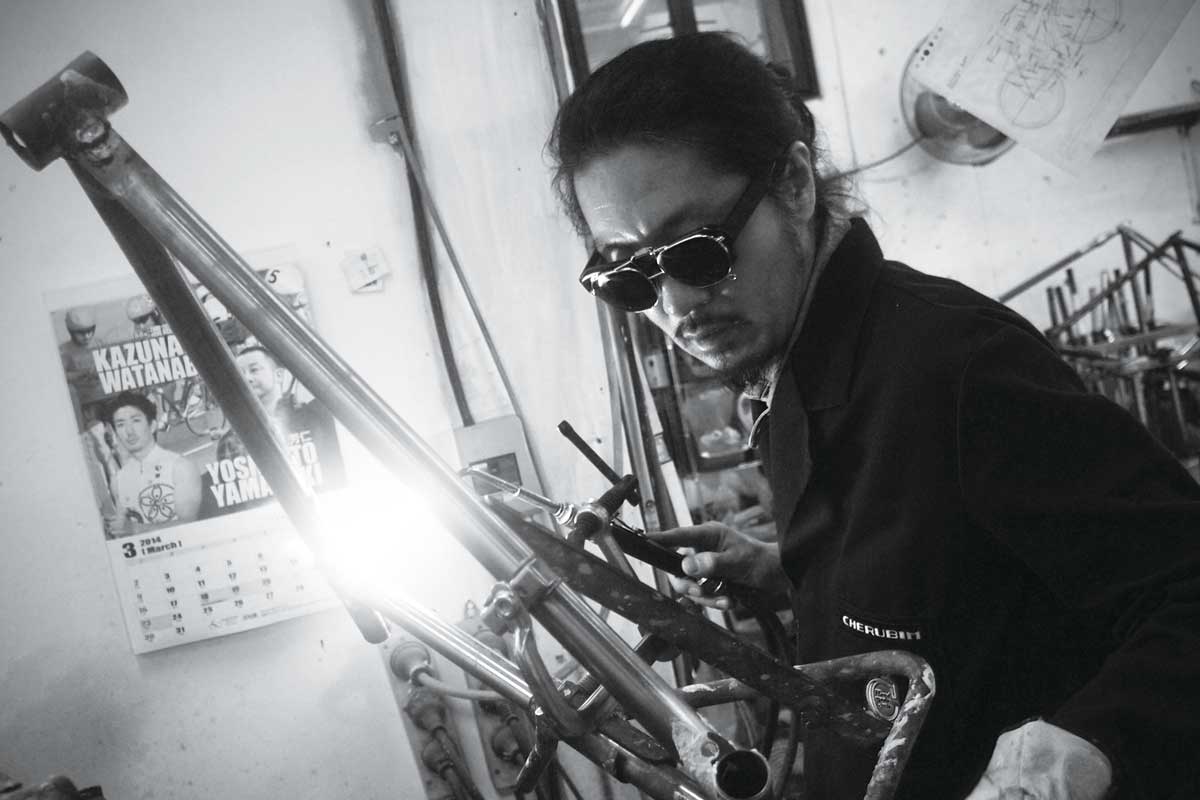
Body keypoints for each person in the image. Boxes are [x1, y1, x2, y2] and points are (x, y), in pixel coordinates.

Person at [547, 33, 1200, 800]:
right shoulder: (794, 373)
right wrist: (795, 571)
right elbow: (951, 564)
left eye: (697, 252)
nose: (677, 305)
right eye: (629, 277)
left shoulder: (958, 368)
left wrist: (1072, 760)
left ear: (794, 183)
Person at [105, 390, 201, 534]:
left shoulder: (180, 467)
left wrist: (136, 529)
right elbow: (122, 528)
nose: (129, 431)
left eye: (136, 421)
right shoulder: (118, 480)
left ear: (152, 426)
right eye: (120, 424)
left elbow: (189, 524)